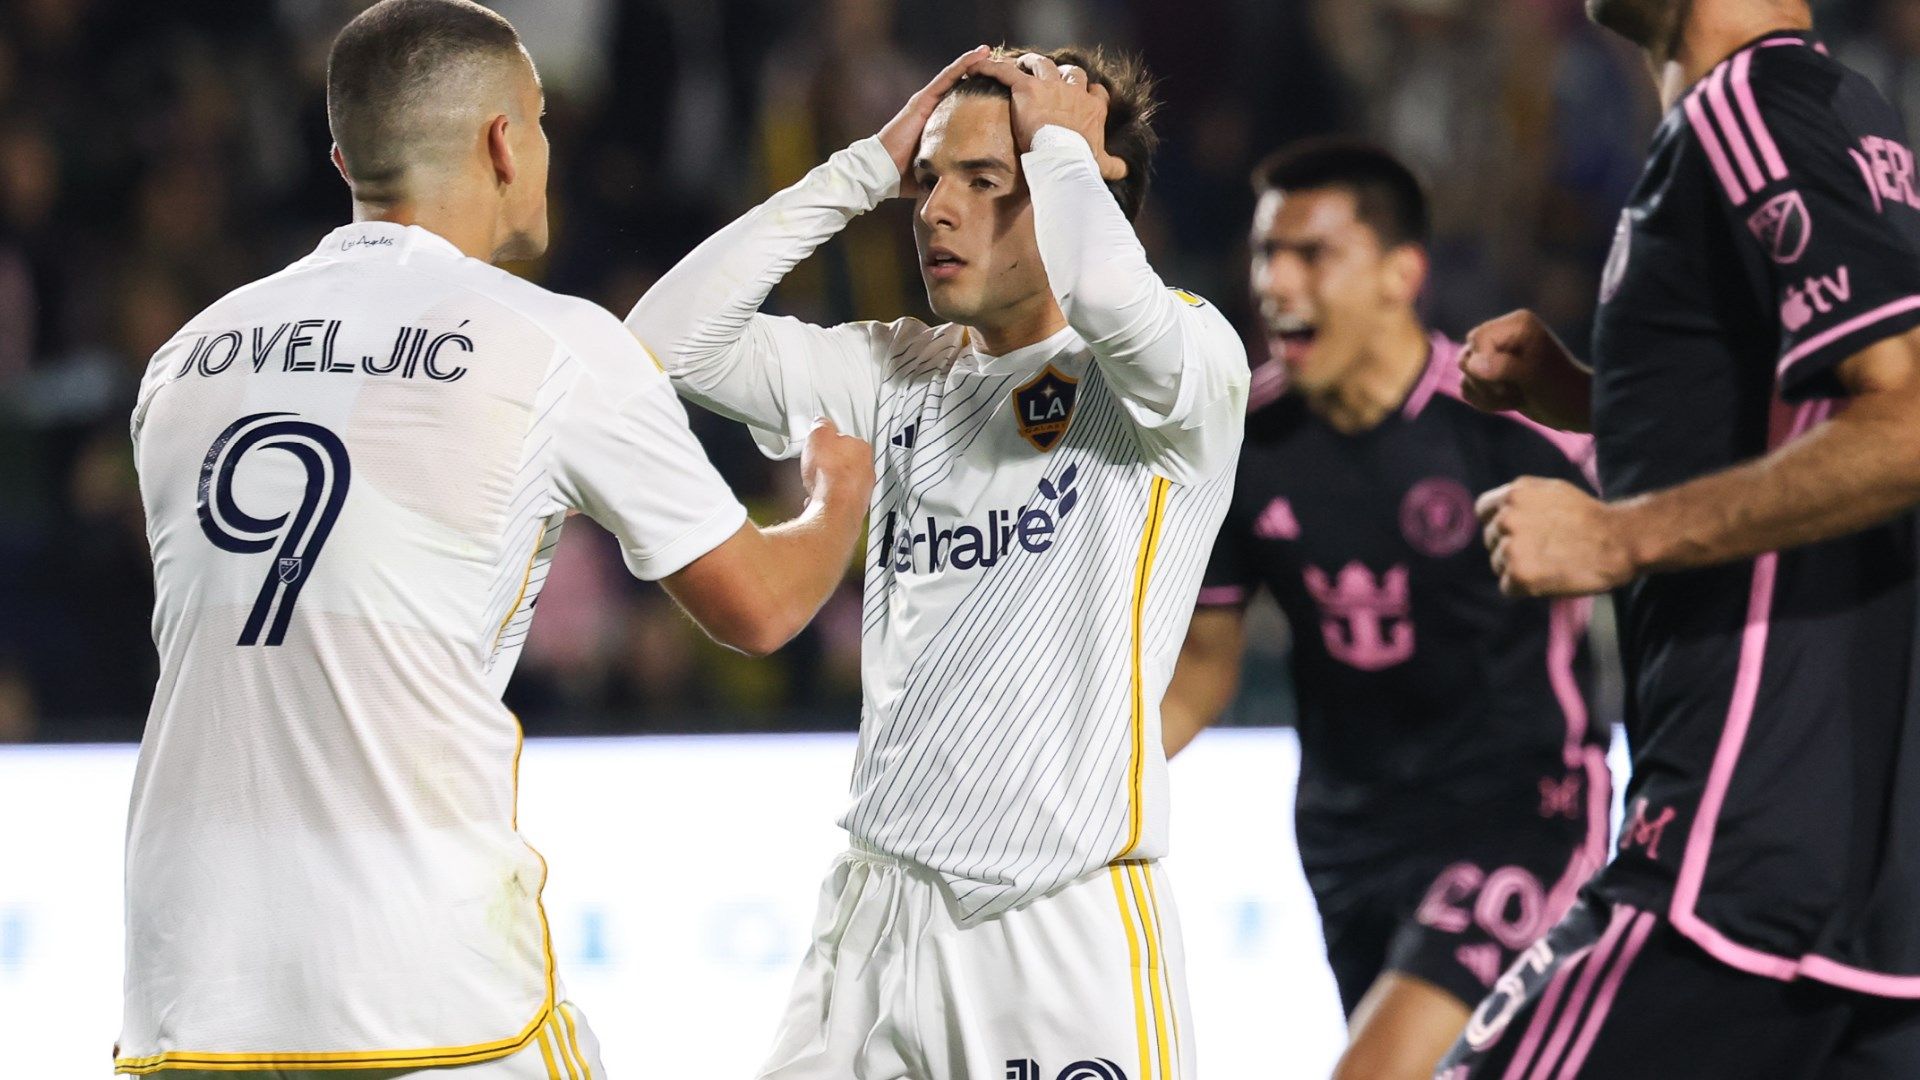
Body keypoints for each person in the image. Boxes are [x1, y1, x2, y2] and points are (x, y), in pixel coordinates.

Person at [115, 2, 873, 1076]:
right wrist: (837, 492)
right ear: (506, 142)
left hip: (185, 985)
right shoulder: (554, 345)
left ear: (345, 159)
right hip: (423, 987)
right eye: (545, 122)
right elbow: (761, 608)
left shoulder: (184, 357)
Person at [628, 45, 1248, 1080]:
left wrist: (1065, 149)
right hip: (876, 915)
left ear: (1080, 182)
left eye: (983, 181)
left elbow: (1105, 287)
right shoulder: (900, 369)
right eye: (929, 179)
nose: (934, 210)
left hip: (1052, 930)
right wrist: (866, 164)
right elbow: (665, 343)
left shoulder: (1177, 375)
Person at [1440, 0, 1920, 1075]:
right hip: (1851, 884)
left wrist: (1618, 536)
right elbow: (1795, 420)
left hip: (1730, 856)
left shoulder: (1754, 108)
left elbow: (1909, 419)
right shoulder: (1815, 109)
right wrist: (1594, 399)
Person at [1158, 141, 1608, 1080]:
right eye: (1264, 254)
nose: (1275, 282)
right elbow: (1203, 666)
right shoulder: (1242, 443)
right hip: (1346, 832)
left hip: (1517, 812)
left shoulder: (1511, 422)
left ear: (1402, 274)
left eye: (1310, 254)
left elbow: (1669, 542)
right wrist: (1072, 772)